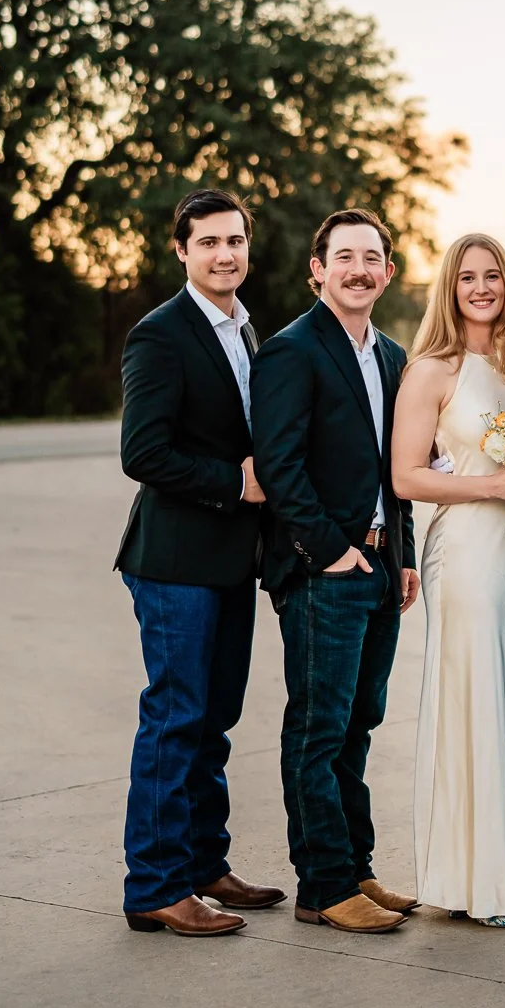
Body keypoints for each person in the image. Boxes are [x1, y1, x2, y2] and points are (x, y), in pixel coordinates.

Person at [114, 188, 286, 937]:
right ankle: (156, 885)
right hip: (175, 561)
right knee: (176, 718)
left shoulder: (246, 329)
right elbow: (142, 452)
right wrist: (235, 484)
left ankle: (204, 864)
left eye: (235, 241)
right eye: (209, 242)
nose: (225, 254)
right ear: (181, 250)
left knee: (214, 718)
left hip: (231, 558)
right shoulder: (160, 334)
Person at [250, 208, 420, 934]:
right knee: (318, 730)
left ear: (387, 272)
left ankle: (356, 868)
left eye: (371, 257)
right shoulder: (291, 350)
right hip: (326, 571)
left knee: (358, 726)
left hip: (380, 566)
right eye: (344, 256)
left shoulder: (392, 356)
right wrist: (332, 551)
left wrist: (399, 554)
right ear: (318, 269)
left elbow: (393, 470)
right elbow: (279, 466)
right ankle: (321, 885)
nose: (359, 269)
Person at [390, 234, 505, 929]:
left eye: (493, 276)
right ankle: (480, 887)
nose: (482, 288)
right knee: (476, 702)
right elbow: (406, 477)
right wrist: (491, 485)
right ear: (450, 289)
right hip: (466, 554)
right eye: (468, 277)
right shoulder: (432, 370)